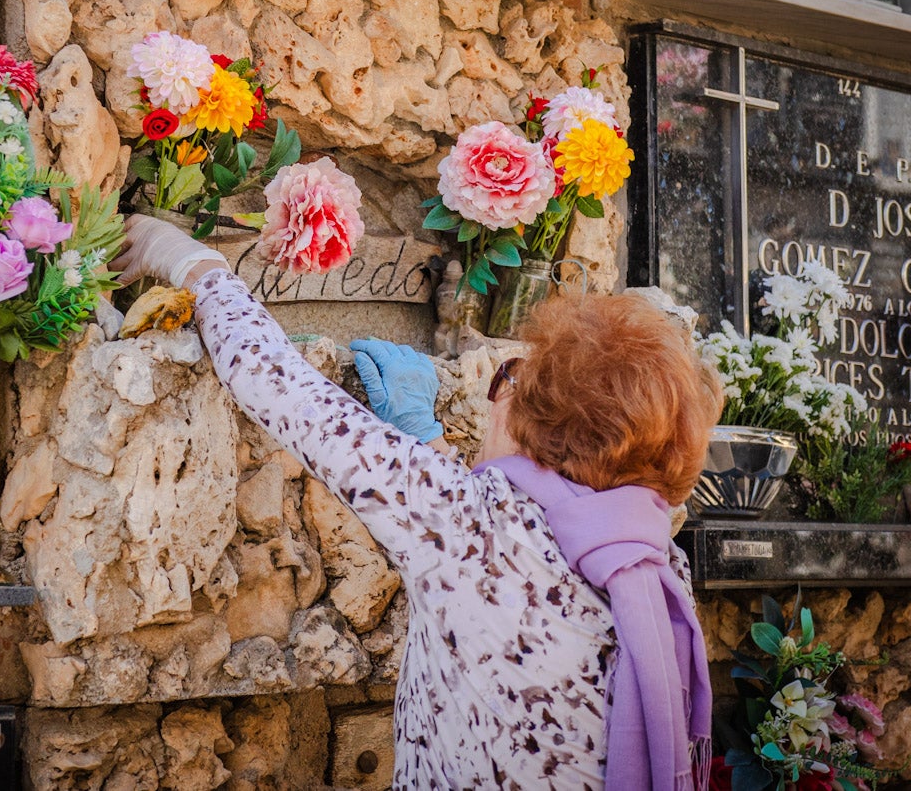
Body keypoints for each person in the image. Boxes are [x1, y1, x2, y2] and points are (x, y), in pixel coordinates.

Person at [112, 215, 723, 791]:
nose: (496, 397)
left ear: (544, 423)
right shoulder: (655, 566)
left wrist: (189, 261)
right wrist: (425, 445)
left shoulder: (468, 527)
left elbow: (278, 383)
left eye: (509, 380)